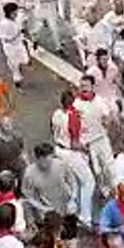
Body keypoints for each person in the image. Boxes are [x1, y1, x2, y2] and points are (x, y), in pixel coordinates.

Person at [51, 88, 98, 223]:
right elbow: (75, 144)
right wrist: (86, 148)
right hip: (70, 153)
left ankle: (71, 211)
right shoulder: (73, 118)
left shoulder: (57, 114)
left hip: (58, 150)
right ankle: (85, 216)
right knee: (89, 182)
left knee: (74, 182)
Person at [74, 75, 117, 196]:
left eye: (86, 86)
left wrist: (107, 122)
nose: (83, 89)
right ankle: (103, 189)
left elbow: (107, 117)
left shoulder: (100, 101)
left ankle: (114, 188)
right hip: (88, 144)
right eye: (81, 86)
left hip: (101, 139)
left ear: (93, 87)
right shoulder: (76, 105)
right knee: (97, 171)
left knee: (109, 166)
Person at [23, 143, 82, 220]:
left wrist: (73, 198)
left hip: (67, 206)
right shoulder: (29, 174)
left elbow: (72, 181)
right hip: (48, 210)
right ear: (37, 158)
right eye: (44, 161)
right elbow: (29, 196)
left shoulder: (60, 164)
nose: (47, 164)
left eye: (50, 161)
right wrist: (43, 208)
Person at [58, 0, 98, 65]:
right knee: (80, 38)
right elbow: (61, 2)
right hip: (76, 19)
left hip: (87, 17)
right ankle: (84, 60)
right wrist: (62, 15)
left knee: (91, 36)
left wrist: (88, 6)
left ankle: (92, 54)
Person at [0, 1, 30, 86]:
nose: (16, 14)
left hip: (19, 44)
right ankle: (17, 79)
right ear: (10, 13)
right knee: (14, 63)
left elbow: (22, 25)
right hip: (10, 47)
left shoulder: (16, 20)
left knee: (25, 60)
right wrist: (15, 35)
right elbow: (3, 37)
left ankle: (19, 71)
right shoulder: (4, 24)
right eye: (14, 12)